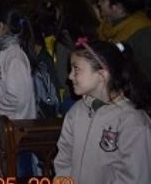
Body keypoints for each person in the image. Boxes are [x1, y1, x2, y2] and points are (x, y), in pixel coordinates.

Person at [54, 40, 151, 183]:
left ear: (101, 75)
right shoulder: (76, 113)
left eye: (76, 69)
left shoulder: (132, 121)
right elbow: (64, 158)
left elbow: (135, 176)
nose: (70, 76)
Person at [0, 4, 37, 127]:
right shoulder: (6, 52)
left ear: (1, 26)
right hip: (7, 124)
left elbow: (16, 99)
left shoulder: (15, 57)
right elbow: (1, 90)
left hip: (16, 125)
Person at [97, 0, 151, 80]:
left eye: (103, 0)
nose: (99, 3)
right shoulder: (105, 27)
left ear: (118, 7)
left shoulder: (142, 31)